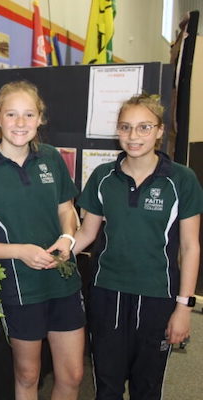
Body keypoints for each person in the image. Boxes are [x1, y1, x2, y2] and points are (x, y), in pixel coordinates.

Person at [0, 80, 85, 400]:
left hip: (63, 280)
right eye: (11, 114)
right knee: (28, 375)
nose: (20, 123)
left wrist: (68, 236)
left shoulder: (52, 158)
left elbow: (66, 208)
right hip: (20, 287)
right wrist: (21, 252)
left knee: (72, 374)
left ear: (40, 118)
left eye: (29, 115)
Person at [73, 93, 202, 399]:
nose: (133, 136)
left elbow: (191, 246)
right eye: (125, 127)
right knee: (107, 385)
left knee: (147, 387)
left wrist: (184, 307)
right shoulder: (104, 177)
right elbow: (87, 233)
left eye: (144, 127)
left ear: (159, 130)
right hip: (107, 294)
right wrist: (51, 254)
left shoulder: (181, 180)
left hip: (158, 297)